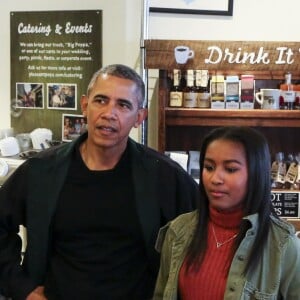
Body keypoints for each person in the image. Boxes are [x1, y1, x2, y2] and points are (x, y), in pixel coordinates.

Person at [0, 64, 198, 300]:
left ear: (139, 117)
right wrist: (21, 287)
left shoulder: (163, 176)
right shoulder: (42, 171)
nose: (109, 113)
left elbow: (206, 231)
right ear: (85, 105)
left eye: (123, 105)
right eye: (101, 100)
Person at [154, 126, 300, 299]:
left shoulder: (283, 245)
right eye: (209, 167)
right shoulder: (178, 231)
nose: (215, 179)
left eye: (230, 169)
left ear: (256, 173)